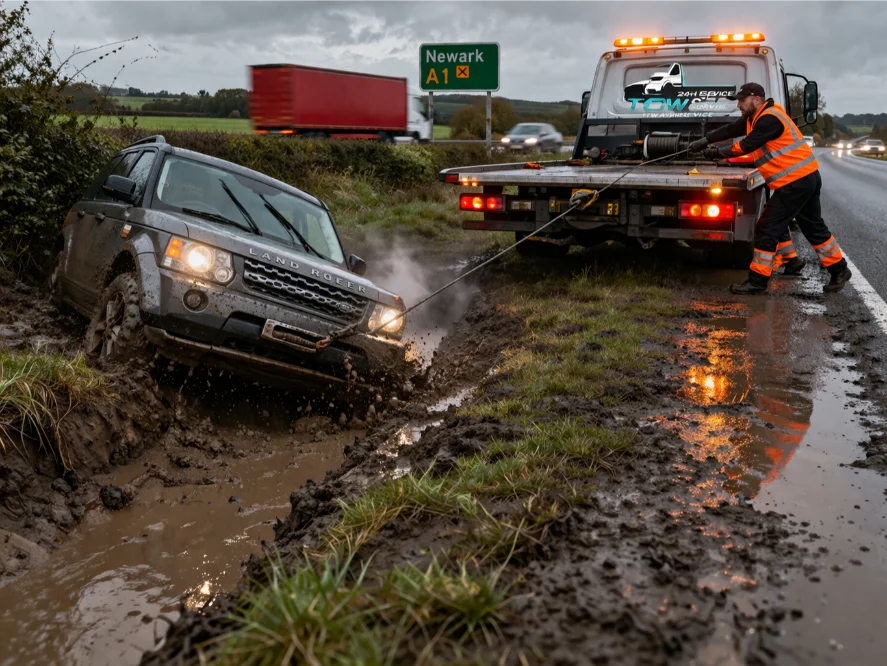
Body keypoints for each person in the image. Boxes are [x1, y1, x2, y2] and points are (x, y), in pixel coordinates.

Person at [689, 82, 851, 294]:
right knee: (813, 226)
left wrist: (717, 153)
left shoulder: (769, 119)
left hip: (795, 182)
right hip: (805, 177)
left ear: (756, 99)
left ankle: (757, 281)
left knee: (766, 227)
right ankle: (839, 270)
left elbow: (747, 145)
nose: (738, 105)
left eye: (742, 100)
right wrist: (705, 140)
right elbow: (730, 130)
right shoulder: (754, 117)